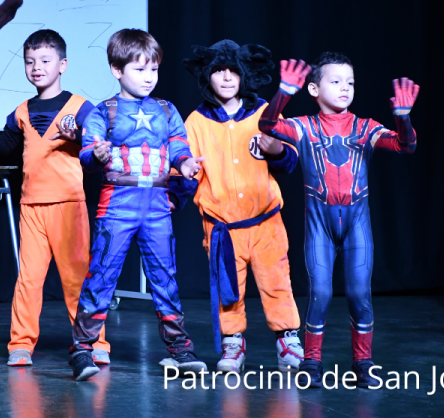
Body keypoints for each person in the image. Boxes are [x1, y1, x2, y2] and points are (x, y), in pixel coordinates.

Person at [258, 52, 419, 388]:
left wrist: (403, 118)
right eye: (335, 81)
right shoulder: (303, 126)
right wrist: (284, 92)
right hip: (320, 225)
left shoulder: (365, 128)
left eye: (350, 82)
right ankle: (312, 362)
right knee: (320, 292)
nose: (345, 88)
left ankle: (363, 362)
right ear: (314, 89)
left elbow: (406, 146)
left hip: (357, 224)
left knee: (360, 293)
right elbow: (267, 125)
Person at [68, 29, 205, 382]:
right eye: (140, 70)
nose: (149, 78)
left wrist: (186, 163)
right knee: (102, 275)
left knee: (165, 277)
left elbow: (177, 145)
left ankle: (179, 349)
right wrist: (95, 154)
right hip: (118, 204)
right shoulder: (104, 111)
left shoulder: (165, 109)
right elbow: (87, 151)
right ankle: (82, 349)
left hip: (157, 203)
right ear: (117, 69)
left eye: (154, 70)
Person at [0, 29, 110, 367]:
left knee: (77, 279)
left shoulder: (81, 107)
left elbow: (96, 150)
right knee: (29, 279)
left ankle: (96, 343)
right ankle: (20, 344)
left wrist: (79, 137)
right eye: (30, 62)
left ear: (62, 65)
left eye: (45, 61)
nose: (37, 67)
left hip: (68, 206)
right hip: (31, 206)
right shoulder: (21, 110)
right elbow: (7, 150)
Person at [176, 40, 304, 374]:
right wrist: (183, 169)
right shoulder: (196, 121)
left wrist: (275, 149)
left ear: (244, 74)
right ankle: (233, 343)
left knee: (277, 280)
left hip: (265, 223)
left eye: (234, 70)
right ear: (208, 77)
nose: (228, 78)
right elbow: (187, 170)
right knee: (228, 289)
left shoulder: (264, 112)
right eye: (219, 71)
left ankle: (287, 338)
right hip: (222, 227)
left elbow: (289, 162)